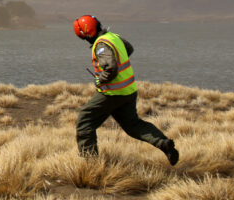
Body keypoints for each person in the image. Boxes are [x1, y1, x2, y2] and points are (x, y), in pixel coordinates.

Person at [73, 15, 179, 165]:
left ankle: (91, 165)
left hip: (112, 93)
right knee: (133, 125)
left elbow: (111, 68)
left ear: (86, 34)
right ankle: (163, 143)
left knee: (85, 121)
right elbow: (129, 48)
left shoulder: (100, 45)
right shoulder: (113, 37)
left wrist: (100, 79)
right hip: (128, 91)